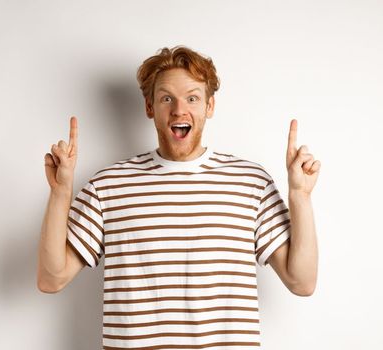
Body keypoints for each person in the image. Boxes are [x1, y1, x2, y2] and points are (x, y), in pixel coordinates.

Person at [36, 46, 320, 349]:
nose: (179, 110)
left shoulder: (251, 182)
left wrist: (300, 196)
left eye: (193, 98)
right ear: (149, 107)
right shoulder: (108, 185)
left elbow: (301, 282)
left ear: (209, 107)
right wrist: (60, 192)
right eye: (166, 98)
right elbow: (51, 279)